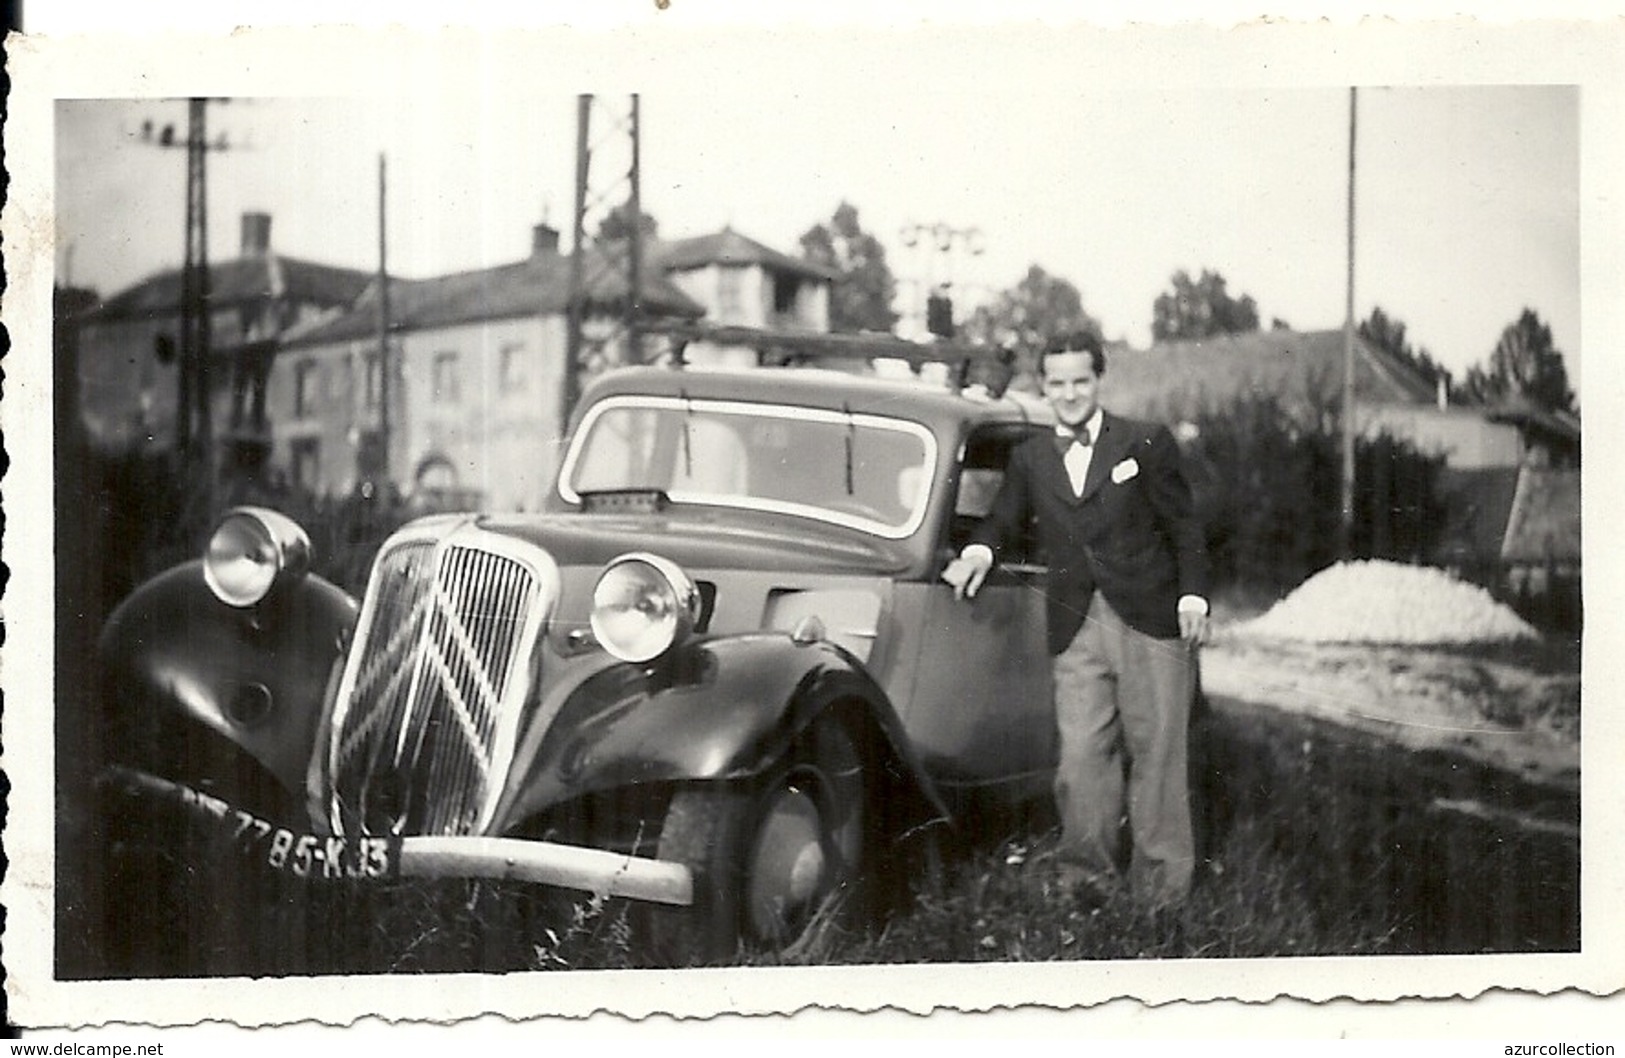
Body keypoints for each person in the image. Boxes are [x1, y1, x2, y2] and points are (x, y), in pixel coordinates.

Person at [941, 330, 1209, 909]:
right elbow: (1001, 520)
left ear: (1099, 378)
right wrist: (979, 552)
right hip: (1075, 622)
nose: (1068, 393)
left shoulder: (1145, 442)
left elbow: (1185, 528)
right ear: (1043, 384)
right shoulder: (1031, 456)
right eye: (1056, 382)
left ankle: (1161, 893)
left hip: (1150, 618)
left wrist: (1193, 597)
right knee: (1083, 756)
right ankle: (1085, 879)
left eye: (1080, 381)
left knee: (1158, 751)